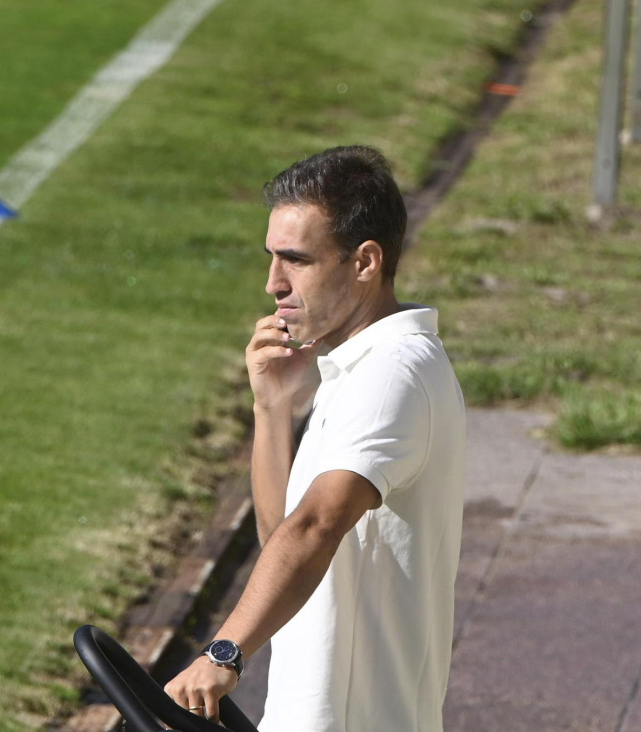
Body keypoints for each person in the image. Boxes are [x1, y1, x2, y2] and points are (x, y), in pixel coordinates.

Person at [164, 145, 466, 731]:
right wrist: (272, 408)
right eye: (272, 258)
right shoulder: (357, 367)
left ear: (365, 262)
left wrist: (223, 652)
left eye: (296, 260)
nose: (273, 282)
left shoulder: (390, 375)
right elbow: (282, 538)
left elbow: (317, 526)